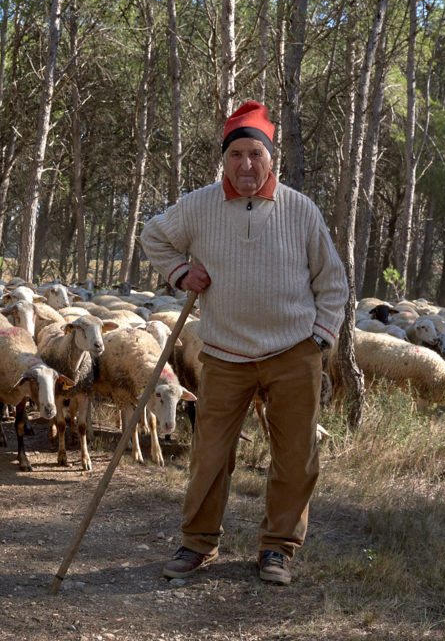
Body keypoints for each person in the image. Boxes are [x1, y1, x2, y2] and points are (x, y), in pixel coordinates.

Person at [139, 101, 347, 585]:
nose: (246, 164)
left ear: (271, 158)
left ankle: (278, 548)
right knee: (210, 453)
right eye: (236, 154)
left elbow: (332, 280)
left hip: (293, 351)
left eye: (256, 153)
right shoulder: (199, 205)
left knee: (295, 455)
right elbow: (154, 235)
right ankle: (198, 543)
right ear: (224, 159)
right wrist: (180, 272)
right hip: (224, 353)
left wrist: (320, 337)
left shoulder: (300, 210)